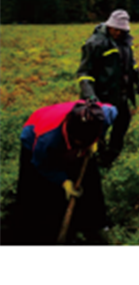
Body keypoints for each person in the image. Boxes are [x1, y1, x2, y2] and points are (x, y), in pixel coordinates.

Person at [15, 100, 117, 245]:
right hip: (34, 134)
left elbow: (113, 110)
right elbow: (42, 164)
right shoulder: (47, 139)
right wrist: (63, 181)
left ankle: (94, 224)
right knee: (43, 191)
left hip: (69, 135)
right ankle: (43, 231)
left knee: (90, 180)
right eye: (78, 143)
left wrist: (97, 140)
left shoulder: (102, 116)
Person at [76, 9, 139, 167]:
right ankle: (94, 158)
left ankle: (110, 157)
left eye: (122, 30)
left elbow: (131, 63)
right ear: (109, 26)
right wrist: (89, 95)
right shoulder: (94, 43)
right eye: (116, 29)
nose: (118, 33)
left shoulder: (126, 42)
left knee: (122, 124)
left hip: (122, 94)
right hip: (102, 96)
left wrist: (138, 78)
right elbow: (84, 72)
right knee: (98, 130)